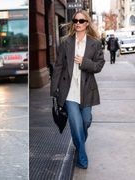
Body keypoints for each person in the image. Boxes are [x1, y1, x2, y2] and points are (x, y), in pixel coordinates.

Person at [50, 10, 105, 169]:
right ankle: (82, 156)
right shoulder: (66, 42)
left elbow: (99, 65)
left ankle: (79, 141)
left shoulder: (95, 43)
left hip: (87, 90)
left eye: (81, 21)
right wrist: (54, 89)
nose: (78, 24)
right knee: (75, 123)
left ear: (87, 23)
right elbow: (58, 66)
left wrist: (84, 62)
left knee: (85, 122)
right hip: (69, 91)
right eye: (75, 21)